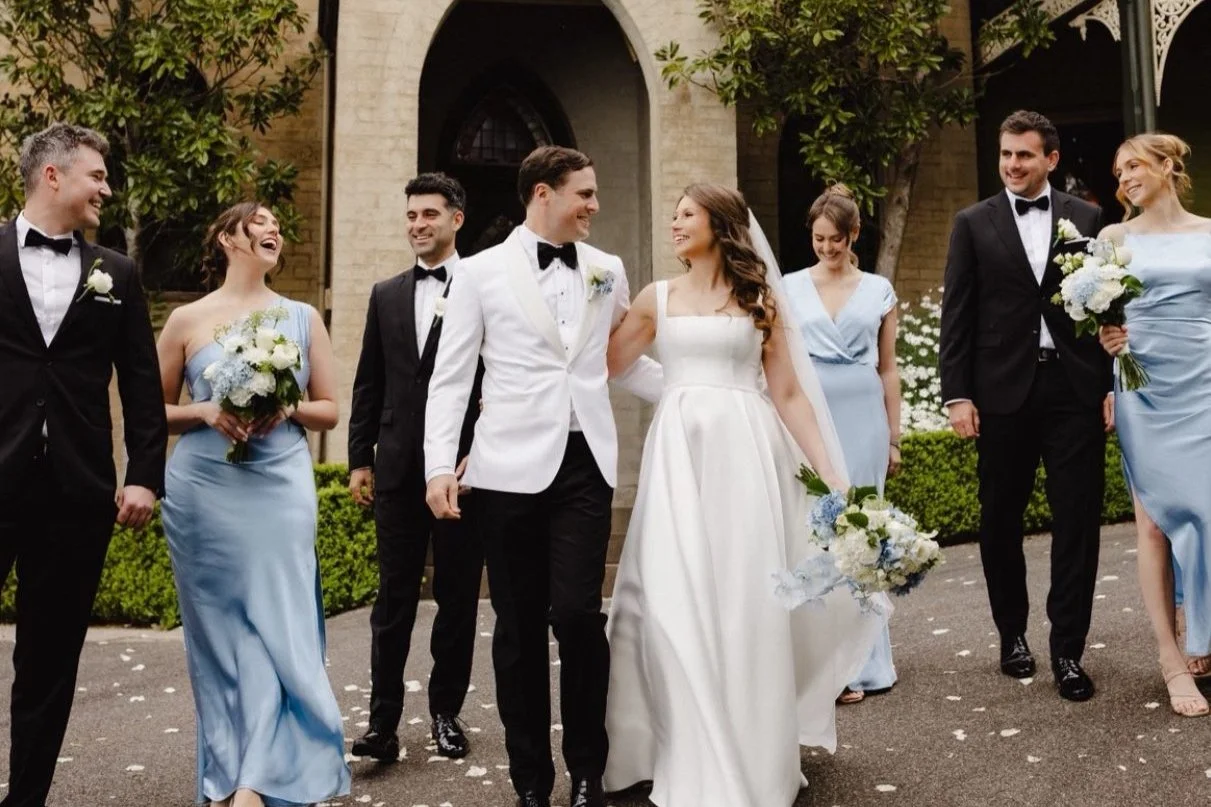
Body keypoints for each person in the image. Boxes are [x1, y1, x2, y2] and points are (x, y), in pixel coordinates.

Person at [602, 183, 878, 806]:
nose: (675, 224)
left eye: (687, 215)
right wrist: (680, 390)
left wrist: (831, 473)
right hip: (680, 455)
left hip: (749, 455)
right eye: (674, 215)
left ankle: (751, 748)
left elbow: (788, 394)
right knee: (669, 592)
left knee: (744, 596)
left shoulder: (759, 298)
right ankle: (668, 746)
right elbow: (613, 364)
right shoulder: (656, 298)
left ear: (721, 225)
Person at [423, 146, 662, 807]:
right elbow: (451, 377)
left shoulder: (606, 270)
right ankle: (530, 780)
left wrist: (699, 393)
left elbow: (619, 361)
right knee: (518, 625)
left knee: (579, 615)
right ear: (542, 194)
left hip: (585, 463)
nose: (594, 205)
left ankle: (588, 770)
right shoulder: (477, 273)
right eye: (584, 193)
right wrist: (439, 464)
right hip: (505, 469)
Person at [156, 202, 351, 806]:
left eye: (279, 227)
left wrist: (288, 407)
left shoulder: (301, 318)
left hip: (279, 486)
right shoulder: (186, 320)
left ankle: (254, 780)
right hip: (203, 490)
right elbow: (151, 413)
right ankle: (229, 770)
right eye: (261, 222)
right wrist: (204, 410)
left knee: (274, 627)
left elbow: (330, 409)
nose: (274, 231)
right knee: (220, 637)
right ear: (226, 237)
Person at [0, 122, 167, 807]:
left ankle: (25, 800)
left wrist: (144, 474)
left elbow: (142, 384)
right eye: (96, 175)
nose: (106, 188)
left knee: (48, 658)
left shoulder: (116, 273)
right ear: (53, 175)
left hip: (76, 492)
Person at [939, 110, 1112, 702]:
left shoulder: (1087, 218)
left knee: (1078, 522)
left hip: (1073, 389)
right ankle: (1012, 634)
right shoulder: (972, 223)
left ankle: (1068, 650)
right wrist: (958, 393)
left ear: (1051, 159)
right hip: (1000, 392)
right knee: (999, 519)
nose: (1012, 164)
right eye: (1006, 154)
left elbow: (1106, 307)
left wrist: (1110, 385)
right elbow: (957, 315)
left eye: (1025, 155)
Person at [347, 172, 485, 762]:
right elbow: (368, 381)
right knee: (393, 600)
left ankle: (446, 714)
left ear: (457, 218)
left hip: (463, 471)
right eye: (411, 215)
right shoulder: (385, 294)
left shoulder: (484, 287)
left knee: (456, 598)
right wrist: (360, 458)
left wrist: (483, 451)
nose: (418, 225)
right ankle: (382, 725)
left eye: (429, 214)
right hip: (399, 467)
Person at [1096, 133, 1211, 717]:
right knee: (1154, 526)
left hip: (1205, 380)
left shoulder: (1209, 233)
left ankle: (1202, 633)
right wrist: (1106, 336)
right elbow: (1100, 315)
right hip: (1143, 384)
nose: (1125, 178)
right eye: (1120, 171)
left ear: (1167, 166)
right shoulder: (1114, 239)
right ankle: (1172, 661)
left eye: (1135, 165)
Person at [783, 184, 901, 703]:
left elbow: (889, 368)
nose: (827, 248)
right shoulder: (788, 287)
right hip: (809, 412)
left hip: (863, 413)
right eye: (819, 239)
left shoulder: (879, 289)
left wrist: (894, 438)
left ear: (853, 235)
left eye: (836, 239)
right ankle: (824, 663)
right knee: (816, 527)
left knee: (863, 530)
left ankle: (866, 660)